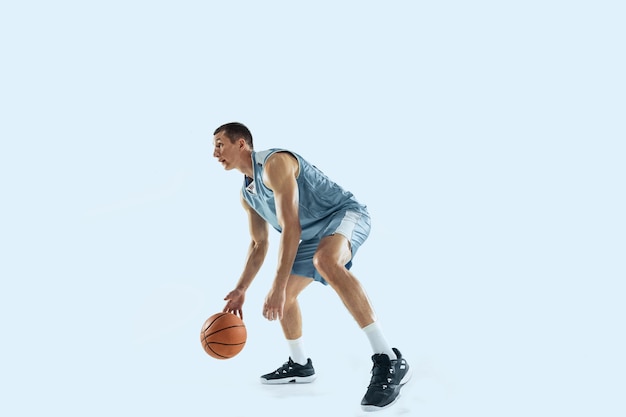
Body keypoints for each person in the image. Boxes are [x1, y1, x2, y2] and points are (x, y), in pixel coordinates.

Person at [212, 122, 411, 411]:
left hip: (343, 214)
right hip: (312, 234)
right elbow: (259, 245)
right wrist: (241, 288)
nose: (215, 152)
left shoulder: (275, 163)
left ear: (241, 143)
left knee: (324, 261)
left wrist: (278, 286)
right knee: (285, 297)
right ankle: (300, 364)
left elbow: (290, 225)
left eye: (220, 144)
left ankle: (389, 357)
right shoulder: (247, 194)